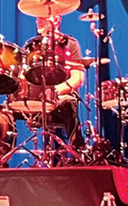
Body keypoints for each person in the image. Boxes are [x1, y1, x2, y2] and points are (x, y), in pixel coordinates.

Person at [20, 13, 89, 145]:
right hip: (35, 100)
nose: (38, 20)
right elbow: (23, 76)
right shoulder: (32, 46)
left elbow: (77, 78)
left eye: (43, 17)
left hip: (61, 98)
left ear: (56, 20)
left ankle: (77, 150)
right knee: (4, 113)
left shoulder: (70, 44)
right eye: (37, 17)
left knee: (68, 105)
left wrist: (53, 92)